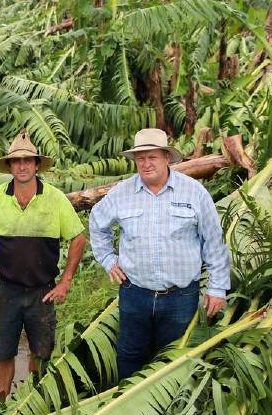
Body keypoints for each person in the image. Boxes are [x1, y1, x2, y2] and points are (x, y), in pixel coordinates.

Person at [89, 128, 231, 380]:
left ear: (167, 157)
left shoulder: (194, 192)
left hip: (180, 296)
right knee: (131, 354)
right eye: (140, 158)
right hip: (135, 294)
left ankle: (171, 414)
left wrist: (217, 288)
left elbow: (213, 241)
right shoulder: (121, 193)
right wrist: (109, 260)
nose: (145, 163)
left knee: (173, 359)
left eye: (152, 156)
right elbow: (97, 223)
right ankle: (127, 408)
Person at [0, 133, 86, 399]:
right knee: (4, 351)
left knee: (41, 351)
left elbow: (78, 238)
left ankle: (32, 401)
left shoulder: (55, 199)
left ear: (36, 165)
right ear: (10, 166)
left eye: (27, 161)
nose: (22, 166)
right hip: (6, 290)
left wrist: (65, 282)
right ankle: (2, 403)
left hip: (41, 291)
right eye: (16, 161)